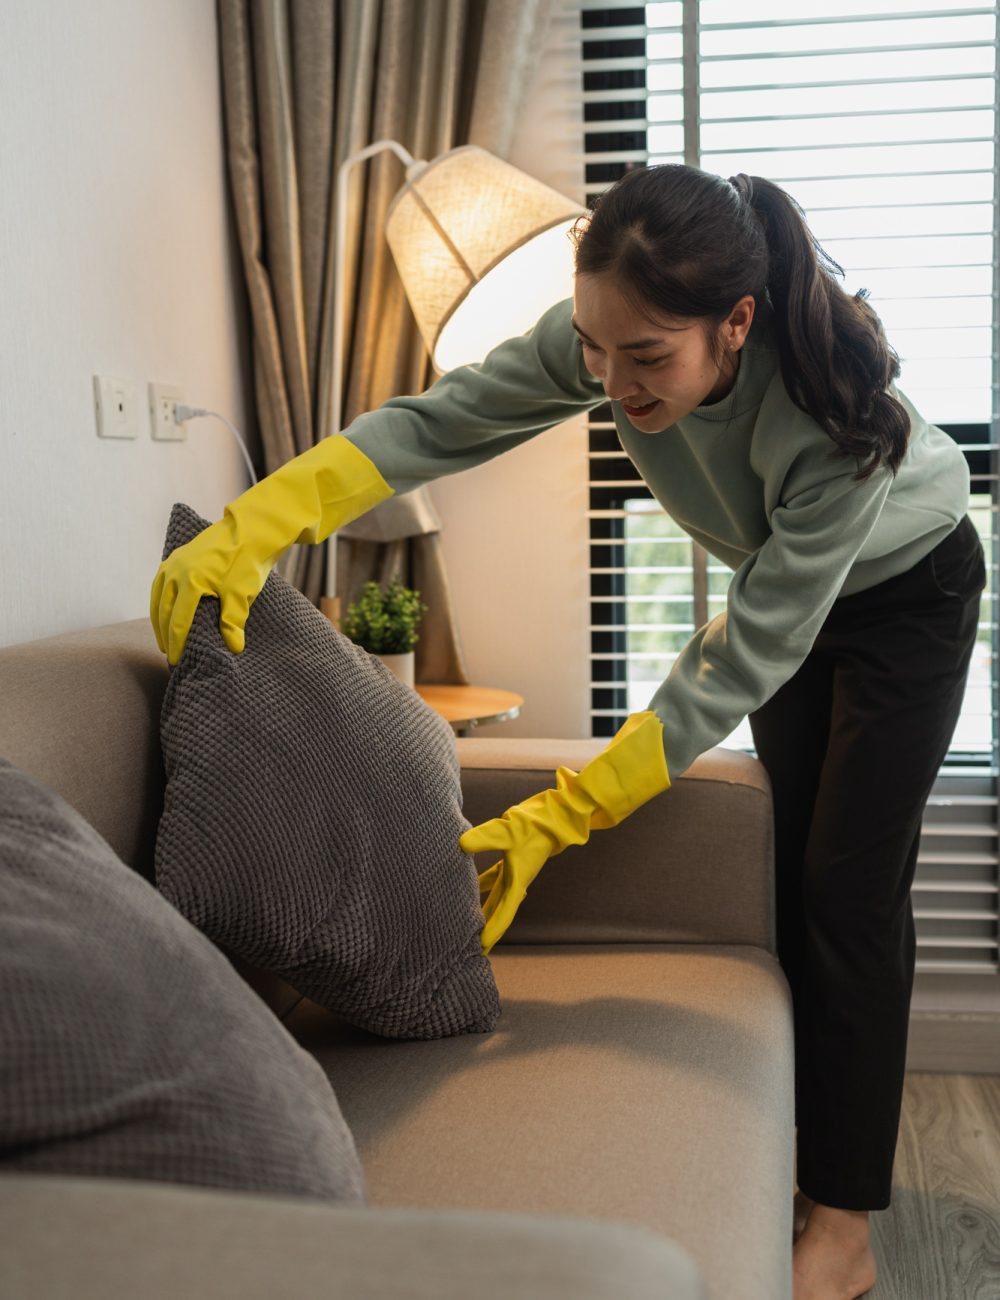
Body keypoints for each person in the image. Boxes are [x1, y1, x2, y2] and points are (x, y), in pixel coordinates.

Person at [150, 164, 985, 1298]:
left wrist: (567, 814)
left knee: (848, 886)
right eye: (598, 348)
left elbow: (739, 657)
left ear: (736, 324)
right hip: (786, 587)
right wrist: (261, 521)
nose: (613, 379)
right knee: (783, 875)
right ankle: (810, 1157)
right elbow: (438, 424)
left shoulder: (831, 426)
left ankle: (841, 1228)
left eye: (648, 356)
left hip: (905, 593)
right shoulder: (595, 340)